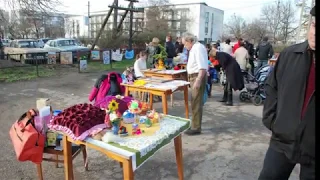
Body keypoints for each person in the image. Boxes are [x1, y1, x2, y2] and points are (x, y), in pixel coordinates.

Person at [258, 6, 315, 180]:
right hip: (282, 141)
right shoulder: (290, 54)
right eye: (314, 25)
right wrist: (272, 120)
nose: (315, 33)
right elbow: (272, 88)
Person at [182, 33, 208, 135]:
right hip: (194, 76)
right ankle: (195, 124)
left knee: (196, 102)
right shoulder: (195, 48)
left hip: (197, 76)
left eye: (185, 44)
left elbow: (202, 66)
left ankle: (196, 127)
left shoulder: (198, 48)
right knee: (195, 101)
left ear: (190, 41)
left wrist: (198, 80)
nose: (184, 46)